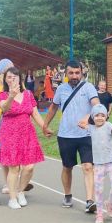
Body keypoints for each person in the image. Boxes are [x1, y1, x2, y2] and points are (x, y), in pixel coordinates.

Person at [44, 60, 99, 212]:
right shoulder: (61, 89)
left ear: (82, 73)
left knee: (88, 166)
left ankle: (90, 200)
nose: (74, 76)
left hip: (86, 134)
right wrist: (45, 125)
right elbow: (53, 108)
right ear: (66, 74)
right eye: (71, 73)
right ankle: (68, 195)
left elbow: (96, 105)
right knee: (67, 167)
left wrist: (88, 117)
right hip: (66, 135)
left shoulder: (88, 87)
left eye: (77, 73)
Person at [0, 67, 47, 209]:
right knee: (14, 168)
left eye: (15, 76)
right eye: (9, 77)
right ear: (5, 79)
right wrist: (11, 96)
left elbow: (35, 114)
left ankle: (20, 191)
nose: (12, 78)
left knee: (29, 167)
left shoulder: (28, 94)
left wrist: (44, 127)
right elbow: (4, 109)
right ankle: (12, 198)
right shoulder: (3, 95)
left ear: (20, 78)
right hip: (10, 134)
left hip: (27, 133)